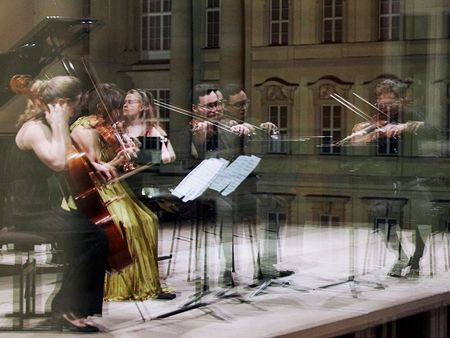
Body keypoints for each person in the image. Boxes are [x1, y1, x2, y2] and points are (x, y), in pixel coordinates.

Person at [4, 75, 109, 332]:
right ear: (63, 103)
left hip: (41, 207)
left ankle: (68, 305)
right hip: (27, 210)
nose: (76, 110)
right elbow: (59, 162)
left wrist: (95, 164)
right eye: (75, 105)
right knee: (94, 238)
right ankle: (67, 308)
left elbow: (68, 156)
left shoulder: (44, 125)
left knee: (91, 235)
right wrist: (61, 123)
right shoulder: (34, 129)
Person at [70, 84, 175, 300]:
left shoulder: (110, 128)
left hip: (115, 186)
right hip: (95, 189)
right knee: (128, 223)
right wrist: (120, 158)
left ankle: (147, 284)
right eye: (119, 107)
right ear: (104, 107)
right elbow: (96, 168)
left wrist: (133, 153)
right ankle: (121, 286)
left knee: (148, 219)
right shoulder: (86, 129)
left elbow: (162, 155)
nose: (120, 113)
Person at [344, 78, 429, 278]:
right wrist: (360, 137)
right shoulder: (375, 122)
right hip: (385, 183)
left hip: (412, 180)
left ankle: (416, 258)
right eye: (382, 102)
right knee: (380, 213)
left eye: (390, 102)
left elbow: (431, 128)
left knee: (423, 212)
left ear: (401, 101)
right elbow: (364, 145)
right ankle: (400, 256)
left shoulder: (410, 116)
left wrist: (405, 127)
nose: (386, 107)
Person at [122, 88, 176, 164]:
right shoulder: (120, 128)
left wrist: (141, 155)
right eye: (125, 102)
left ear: (142, 107)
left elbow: (169, 156)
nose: (125, 105)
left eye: (130, 102)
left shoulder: (151, 130)